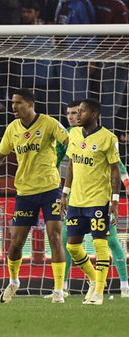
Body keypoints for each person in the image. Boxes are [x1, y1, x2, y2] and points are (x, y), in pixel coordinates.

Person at [0, 89, 69, 303]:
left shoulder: (49, 123)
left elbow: (69, 142)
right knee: (16, 242)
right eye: (12, 103)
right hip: (25, 192)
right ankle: (14, 281)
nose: (13, 107)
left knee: (55, 237)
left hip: (50, 189)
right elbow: (0, 155)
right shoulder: (12, 129)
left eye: (18, 103)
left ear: (30, 104)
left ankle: (58, 290)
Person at [53, 101, 129, 298]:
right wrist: (64, 194)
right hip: (75, 200)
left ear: (94, 114)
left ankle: (109, 288)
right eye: (74, 112)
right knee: (71, 245)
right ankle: (91, 280)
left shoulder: (108, 138)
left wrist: (115, 201)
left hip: (98, 199)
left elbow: (115, 169)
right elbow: (70, 165)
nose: (76, 115)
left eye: (81, 111)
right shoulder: (73, 135)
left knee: (104, 242)